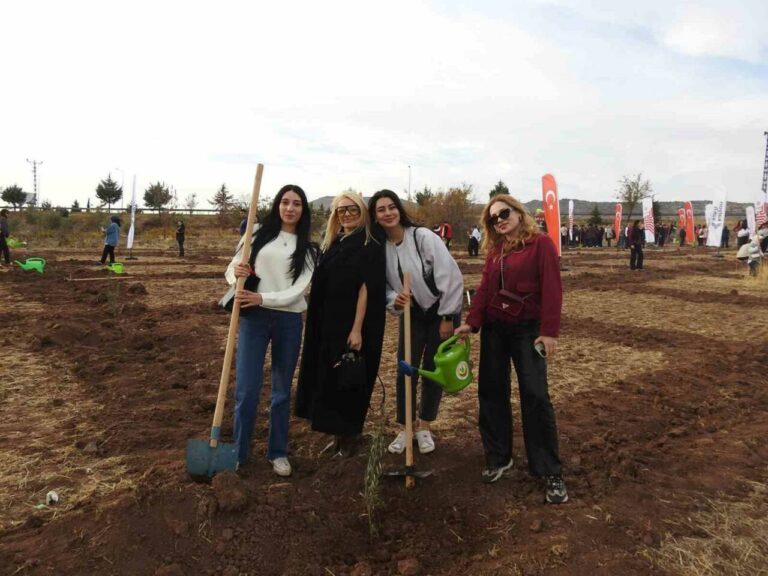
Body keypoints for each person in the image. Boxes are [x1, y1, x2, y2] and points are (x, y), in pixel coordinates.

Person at [454, 194, 567, 504]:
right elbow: (485, 290)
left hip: (527, 330)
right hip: (495, 328)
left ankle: (549, 470)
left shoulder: (541, 244)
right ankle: (498, 457)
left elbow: (552, 289)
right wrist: (472, 323)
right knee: (491, 392)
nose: (499, 221)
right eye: (493, 219)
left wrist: (549, 332)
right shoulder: (495, 251)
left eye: (504, 213)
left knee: (535, 395)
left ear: (518, 213)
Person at [225, 184, 317, 476]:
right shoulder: (256, 234)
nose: (290, 208)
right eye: (285, 202)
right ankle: (239, 452)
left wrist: (262, 297)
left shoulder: (309, 249)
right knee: (246, 389)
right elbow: (231, 269)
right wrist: (236, 274)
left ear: (303, 210)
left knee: (281, 391)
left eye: (297, 204)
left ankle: (277, 452)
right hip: (254, 319)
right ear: (278, 205)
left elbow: (298, 291)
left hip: (288, 321)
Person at [369, 190, 464, 456]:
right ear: (374, 216)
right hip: (412, 313)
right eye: (381, 209)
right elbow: (384, 286)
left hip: (440, 309)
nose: (388, 213)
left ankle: (424, 427)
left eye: (391, 207)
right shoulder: (380, 248)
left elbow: (450, 276)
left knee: (433, 369)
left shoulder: (422, 237)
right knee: (406, 368)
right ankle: (405, 427)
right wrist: (395, 299)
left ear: (399, 210)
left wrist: (447, 316)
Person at [295, 192, 386, 457]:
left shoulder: (369, 244)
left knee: (349, 378)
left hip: (353, 324)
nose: (346, 214)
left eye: (353, 209)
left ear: (363, 212)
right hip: (327, 323)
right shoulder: (333, 242)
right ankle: (337, 436)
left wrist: (356, 329)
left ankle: (350, 437)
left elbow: (366, 289)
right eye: (341, 210)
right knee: (330, 378)